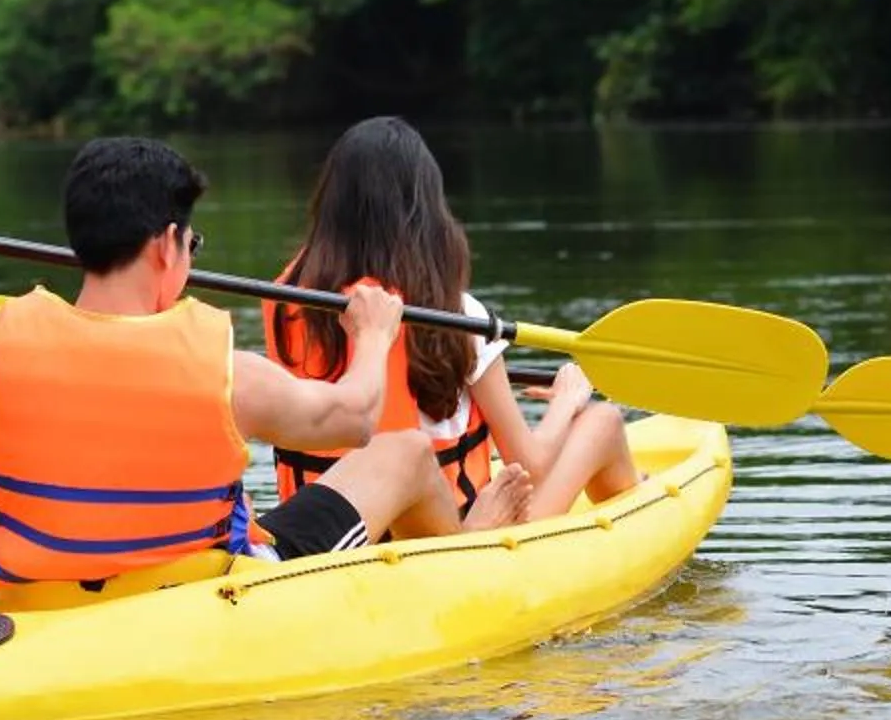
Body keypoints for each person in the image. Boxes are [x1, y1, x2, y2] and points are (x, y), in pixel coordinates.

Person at [0, 136, 512, 594]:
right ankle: (467, 559)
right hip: (202, 592)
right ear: (167, 245)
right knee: (406, 451)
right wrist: (371, 333)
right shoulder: (223, 371)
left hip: (33, 592)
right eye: (192, 240)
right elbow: (357, 419)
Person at [266, 116, 640, 524]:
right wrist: (567, 401)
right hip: (452, 534)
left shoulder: (290, 304)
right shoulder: (458, 315)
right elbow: (530, 464)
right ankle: (636, 507)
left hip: (334, 529)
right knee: (601, 421)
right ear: (426, 213)